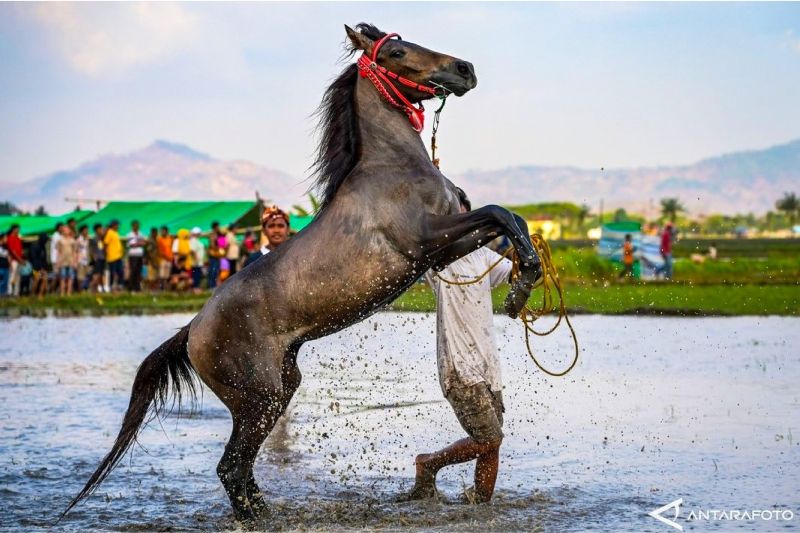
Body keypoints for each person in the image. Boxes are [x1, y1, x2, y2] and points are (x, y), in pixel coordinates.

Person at [408, 188, 513, 503]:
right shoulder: (438, 257)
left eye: (464, 212)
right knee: (489, 438)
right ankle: (428, 464)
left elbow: (517, 270)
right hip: (458, 365)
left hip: (488, 366)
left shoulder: (484, 256)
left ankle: (480, 506)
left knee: (492, 443)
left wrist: (529, 255)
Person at [56, 224, 77, 296]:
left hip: (70, 261)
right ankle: (62, 293)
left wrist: (75, 262)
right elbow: (58, 252)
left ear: (69, 231)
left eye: (67, 230)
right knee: (63, 277)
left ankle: (68, 293)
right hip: (62, 262)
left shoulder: (72, 240)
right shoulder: (60, 240)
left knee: (70, 277)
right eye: (64, 230)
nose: (65, 231)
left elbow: (74, 252)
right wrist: (58, 262)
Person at [126, 220, 146, 292]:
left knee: (138, 271)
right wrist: (139, 243)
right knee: (133, 270)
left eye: (138, 225)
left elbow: (144, 243)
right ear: (132, 226)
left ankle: (137, 287)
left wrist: (138, 243)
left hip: (140, 254)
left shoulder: (141, 234)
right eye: (135, 225)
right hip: (133, 255)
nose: (137, 227)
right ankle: (130, 286)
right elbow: (131, 245)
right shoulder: (129, 234)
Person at [104, 220, 124, 291]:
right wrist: (106, 254)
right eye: (117, 225)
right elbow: (105, 244)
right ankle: (111, 286)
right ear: (113, 225)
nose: (118, 226)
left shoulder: (116, 233)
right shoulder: (109, 232)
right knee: (112, 273)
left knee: (121, 271)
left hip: (118, 256)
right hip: (112, 257)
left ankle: (120, 285)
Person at [29, 233, 50, 298]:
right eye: (45, 239)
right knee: (36, 280)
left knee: (44, 280)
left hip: (43, 267)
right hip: (36, 267)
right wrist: (40, 267)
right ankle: (32, 294)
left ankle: (40, 295)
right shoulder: (35, 246)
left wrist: (45, 267)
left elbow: (44, 258)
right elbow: (33, 258)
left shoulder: (43, 246)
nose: (46, 241)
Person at [6, 224, 23, 296]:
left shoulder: (18, 238)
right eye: (17, 229)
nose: (18, 230)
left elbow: (19, 250)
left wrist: (21, 259)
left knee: (18, 277)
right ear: (14, 229)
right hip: (14, 260)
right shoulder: (10, 238)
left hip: (19, 260)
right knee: (12, 276)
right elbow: (12, 251)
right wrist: (20, 259)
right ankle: (9, 292)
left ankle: (16, 293)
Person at [88, 224, 106, 293]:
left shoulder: (102, 238)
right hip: (97, 258)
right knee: (96, 274)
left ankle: (101, 288)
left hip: (102, 258)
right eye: (100, 229)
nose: (101, 230)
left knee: (101, 274)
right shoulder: (93, 238)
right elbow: (91, 249)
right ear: (96, 230)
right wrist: (93, 257)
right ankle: (91, 287)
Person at [189, 227, 206, 292]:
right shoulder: (193, 240)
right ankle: (195, 288)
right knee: (196, 275)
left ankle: (196, 287)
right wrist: (196, 259)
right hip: (195, 262)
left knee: (198, 275)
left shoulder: (197, 240)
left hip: (199, 262)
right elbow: (192, 251)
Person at [156, 226, 174, 290]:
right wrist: (166, 258)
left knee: (167, 275)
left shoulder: (170, 239)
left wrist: (170, 258)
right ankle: (161, 288)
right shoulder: (159, 239)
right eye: (161, 231)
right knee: (161, 275)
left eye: (164, 231)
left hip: (169, 259)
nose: (162, 232)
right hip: (163, 259)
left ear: (167, 231)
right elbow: (159, 251)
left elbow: (171, 248)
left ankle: (165, 288)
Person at [207, 221, 222, 289]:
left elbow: (222, 243)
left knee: (216, 270)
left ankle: (214, 284)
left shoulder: (219, 234)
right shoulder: (212, 235)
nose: (219, 228)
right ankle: (211, 285)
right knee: (213, 270)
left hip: (217, 255)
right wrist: (219, 248)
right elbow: (212, 245)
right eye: (218, 226)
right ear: (215, 227)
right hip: (213, 255)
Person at [76, 225, 90, 292]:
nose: (86, 231)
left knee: (86, 275)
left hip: (87, 260)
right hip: (80, 260)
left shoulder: (88, 239)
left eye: (87, 230)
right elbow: (75, 251)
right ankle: (80, 290)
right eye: (85, 230)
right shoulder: (78, 239)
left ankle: (85, 290)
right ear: (81, 231)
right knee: (80, 276)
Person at [0, 233, 9, 297]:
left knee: (5, 281)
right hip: (1, 266)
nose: (6, 239)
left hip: (5, 266)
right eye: (5, 238)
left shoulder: (6, 246)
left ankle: (3, 295)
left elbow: (7, 256)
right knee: (1, 281)